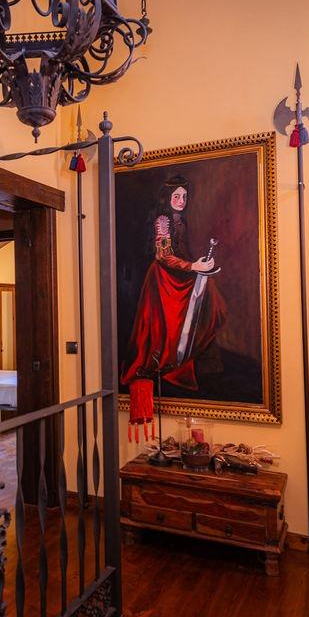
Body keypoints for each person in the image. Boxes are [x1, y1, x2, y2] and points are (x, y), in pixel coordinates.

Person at [121, 175, 227, 441]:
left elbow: (182, 253)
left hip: (180, 273)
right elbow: (164, 256)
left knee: (211, 301)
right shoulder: (163, 221)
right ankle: (171, 359)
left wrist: (198, 263)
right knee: (165, 323)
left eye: (184, 196)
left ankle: (196, 355)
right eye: (176, 196)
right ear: (167, 199)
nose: (181, 200)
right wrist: (193, 266)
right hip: (163, 279)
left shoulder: (181, 220)